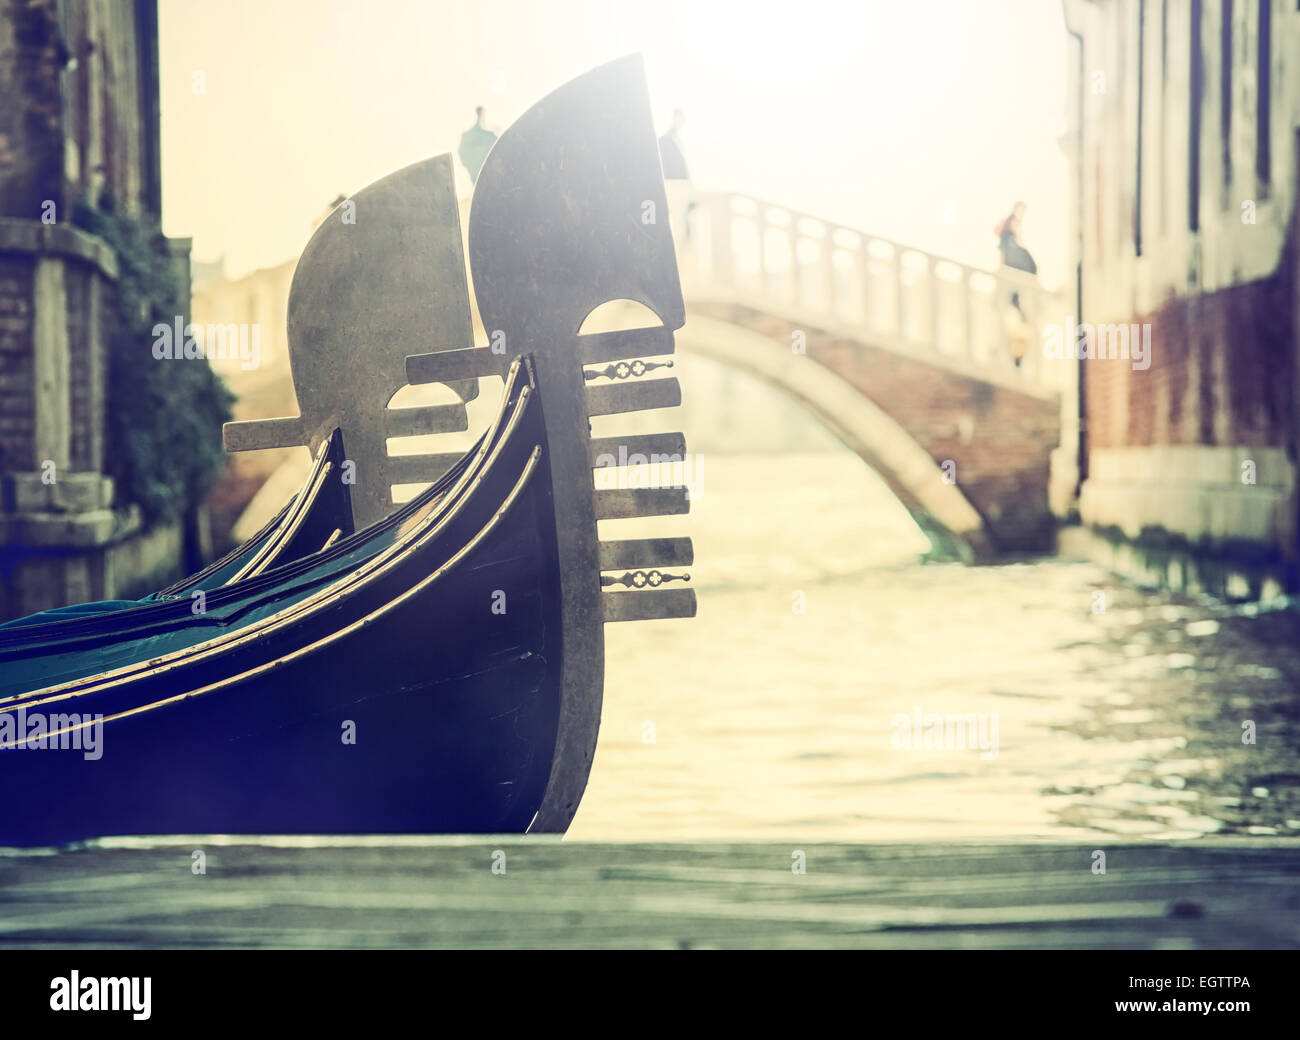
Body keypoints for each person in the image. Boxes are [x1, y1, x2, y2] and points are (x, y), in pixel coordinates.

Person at [994, 202, 1037, 367]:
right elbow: (1005, 248)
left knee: (1017, 314)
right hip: (1011, 278)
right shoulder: (1008, 234)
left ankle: (1017, 357)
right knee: (1012, 312)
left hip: (1016, 282)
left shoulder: (1013, 240)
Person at [458, 106, 497, 185]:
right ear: (482, 113)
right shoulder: (489, 135)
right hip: (481, 169)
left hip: (477, 169)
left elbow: (462, 152)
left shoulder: (467, 134)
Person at [658, 108, 689, 181]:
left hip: (682, 181)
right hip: (672, 181)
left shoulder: (680, 139)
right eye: (680, 118)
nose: (682, 121)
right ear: (674, 118)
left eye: (683, 119)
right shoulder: (664, 140)